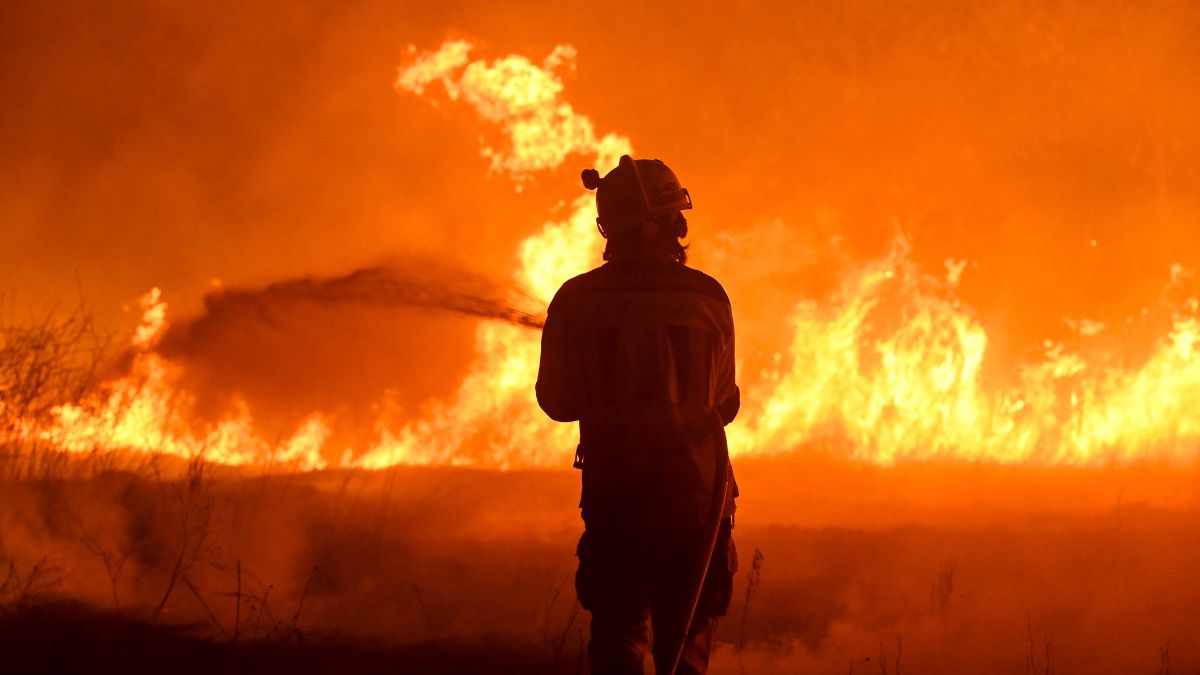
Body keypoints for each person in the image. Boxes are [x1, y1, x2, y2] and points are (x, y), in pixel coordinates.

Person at [536, 155, 740, 675]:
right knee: (685, 647)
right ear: (659, 225)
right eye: (675, 218)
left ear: (614, 227)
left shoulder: (575, 300)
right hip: (697, 501)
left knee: (617, 643)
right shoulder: (707, 297)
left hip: (615, 500)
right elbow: (725, 404)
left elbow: (556, 403)